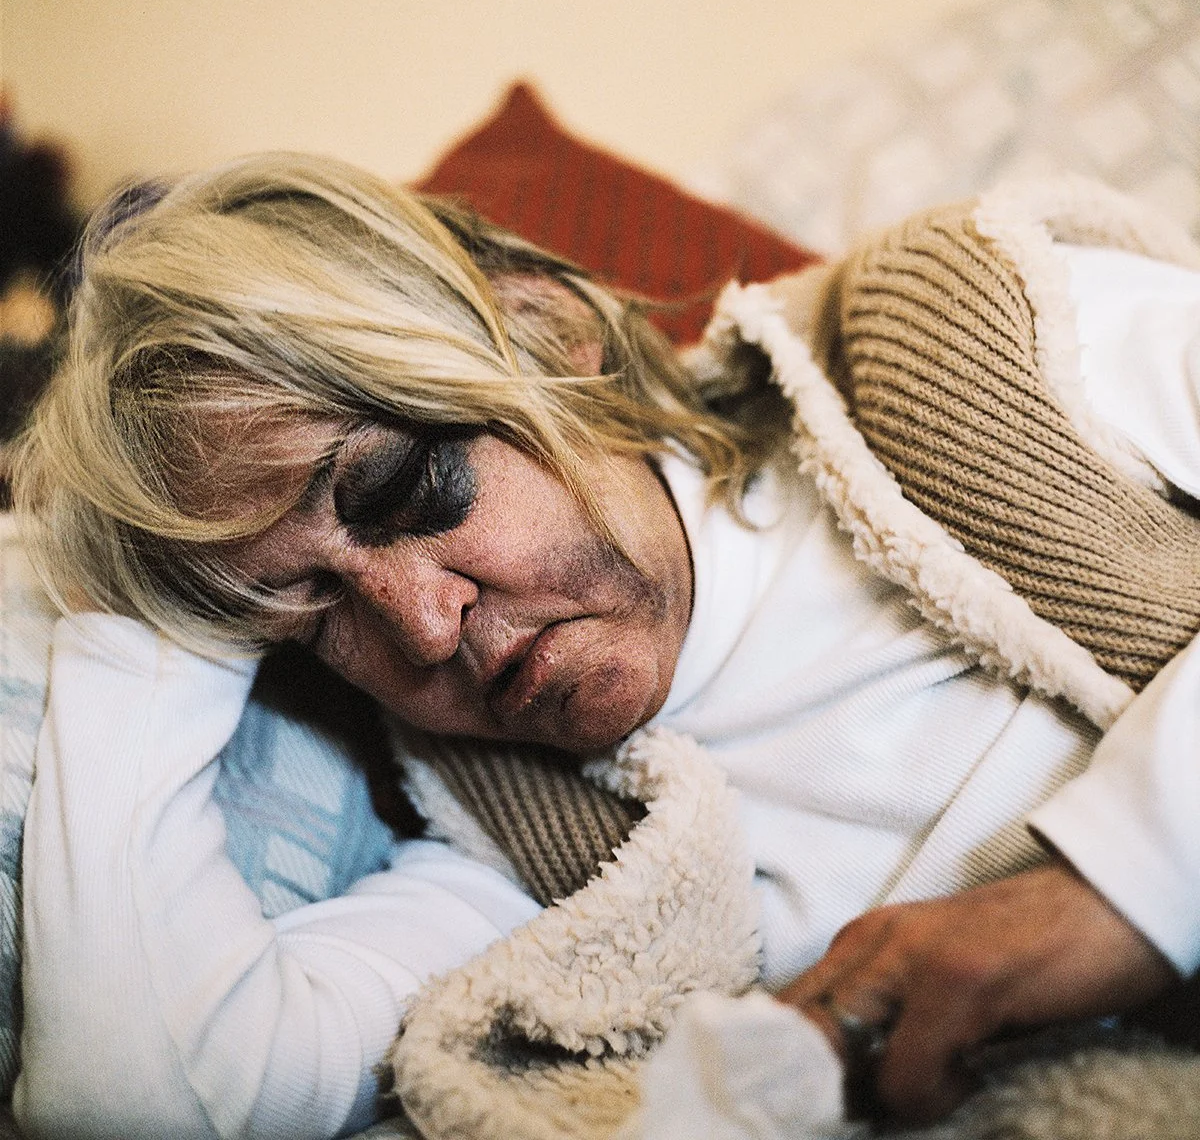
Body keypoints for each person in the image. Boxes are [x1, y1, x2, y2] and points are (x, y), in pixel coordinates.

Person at [10, 153, 1200, 1136]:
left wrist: (1117, 895)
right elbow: (147, 1100)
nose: (422, 626)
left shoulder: (987, 348)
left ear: (545, 327)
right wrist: (149, 595)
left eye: (404, 486)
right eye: (316, 614)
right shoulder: (539, 857)